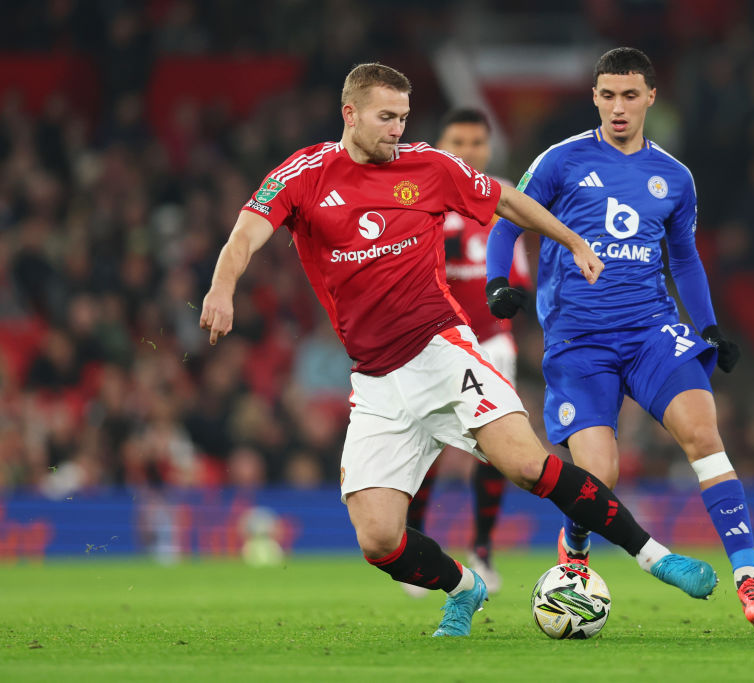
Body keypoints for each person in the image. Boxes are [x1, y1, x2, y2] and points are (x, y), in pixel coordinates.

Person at [200, 62, 718, 638]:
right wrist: (223, 288)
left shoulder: (430, 166)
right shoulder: (305, 174)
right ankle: (464, 588)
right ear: (350, 114)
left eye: (403, 116)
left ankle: (654, 555)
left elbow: (506, 200)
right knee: (378, 540)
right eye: (385, 117)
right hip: (374, 380)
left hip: (442, 351)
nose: (398, 129)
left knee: (527, 464)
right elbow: (245, 232)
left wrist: (571, 239)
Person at [485, 47, 754, 625]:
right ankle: (575, 550)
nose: (618, 107)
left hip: (651, 330)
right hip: (578, 340)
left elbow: (686, 259)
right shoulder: (560, 161)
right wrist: (500, 284)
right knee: (600, 476)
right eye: (607, 95)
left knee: (702, 432)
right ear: (594, 97)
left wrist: (710, 327)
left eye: (629, 95)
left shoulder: (674, 176)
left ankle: (749, 579)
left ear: (650, 97)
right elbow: (506, 223)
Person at [401, 107, 532, 597]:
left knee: (495, 449)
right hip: (434, 339)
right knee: (427, 446)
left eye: (477, 143)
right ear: (440, 144)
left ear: (488, 148)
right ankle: (417, 549)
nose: (468, 151)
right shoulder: (418, 194)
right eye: (458, 141)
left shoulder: (499, 198)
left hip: (491, 339)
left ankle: (482, 550)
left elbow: (517, 276)